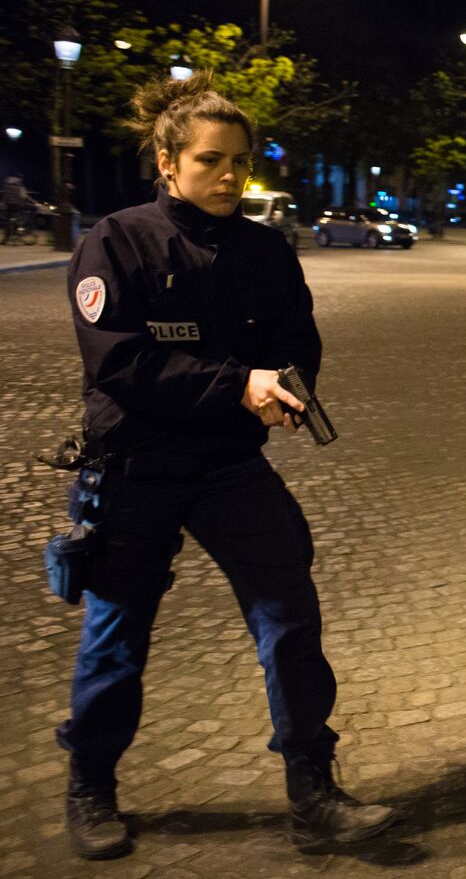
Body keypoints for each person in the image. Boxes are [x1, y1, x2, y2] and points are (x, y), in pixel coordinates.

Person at [53, 72, 394, 860]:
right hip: (136, 466)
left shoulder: (266, 249)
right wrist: (239, 384)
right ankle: (91, 783)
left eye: (241, 160)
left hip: (230, 469)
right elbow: (120, 365)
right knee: (116, 634)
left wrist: (288, 389)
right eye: (211, 160)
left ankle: (312, 792)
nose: (231, 176)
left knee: (291, 622)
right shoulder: (116, 240)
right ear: (167, 163)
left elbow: (297, 343)